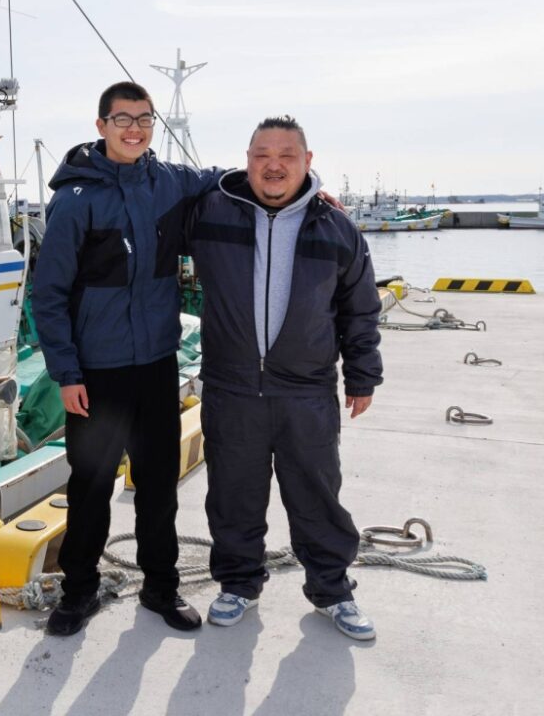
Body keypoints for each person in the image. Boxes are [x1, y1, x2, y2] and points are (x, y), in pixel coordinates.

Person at [31, 81, 222, 636]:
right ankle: (78, 591)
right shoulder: (74, 202)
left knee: (159, 485)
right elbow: (49, 295)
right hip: (97, 374)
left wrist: (313, 188)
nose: (134, 129)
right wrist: (66, 374)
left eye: (144, 119)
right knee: (90, 487)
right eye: (122, 120)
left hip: (158, 365)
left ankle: (161, 588)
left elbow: (223, 180)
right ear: (101, 127)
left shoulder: (168, 183)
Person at [185, 115, 383, 640]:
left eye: (286, 155)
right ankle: (238, 584)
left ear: (307, 162)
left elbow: (359, 309)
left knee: (317, 495)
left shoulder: (337, 227)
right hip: (231, 388)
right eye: (261, 154)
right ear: (245, 160)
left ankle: (332, 591)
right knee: (233, 493)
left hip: (307, 389)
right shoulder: (208, 213)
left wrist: (362, 377)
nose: (274, 165)